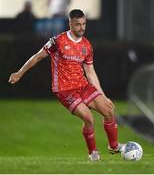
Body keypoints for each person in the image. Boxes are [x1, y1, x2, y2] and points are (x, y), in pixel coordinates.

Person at [9, 9, 124, 161]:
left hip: (82, 86)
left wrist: (103, 95)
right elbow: (37, 57)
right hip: (64, 90)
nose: (81, 28)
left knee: (109, 110)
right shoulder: (57, 41)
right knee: (89, 118)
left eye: (84, 24)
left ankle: (114, 146)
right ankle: (93, 153)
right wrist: (20, 72)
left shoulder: (86, 45)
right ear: (70, 24)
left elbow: (90, 73)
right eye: (78, 25)